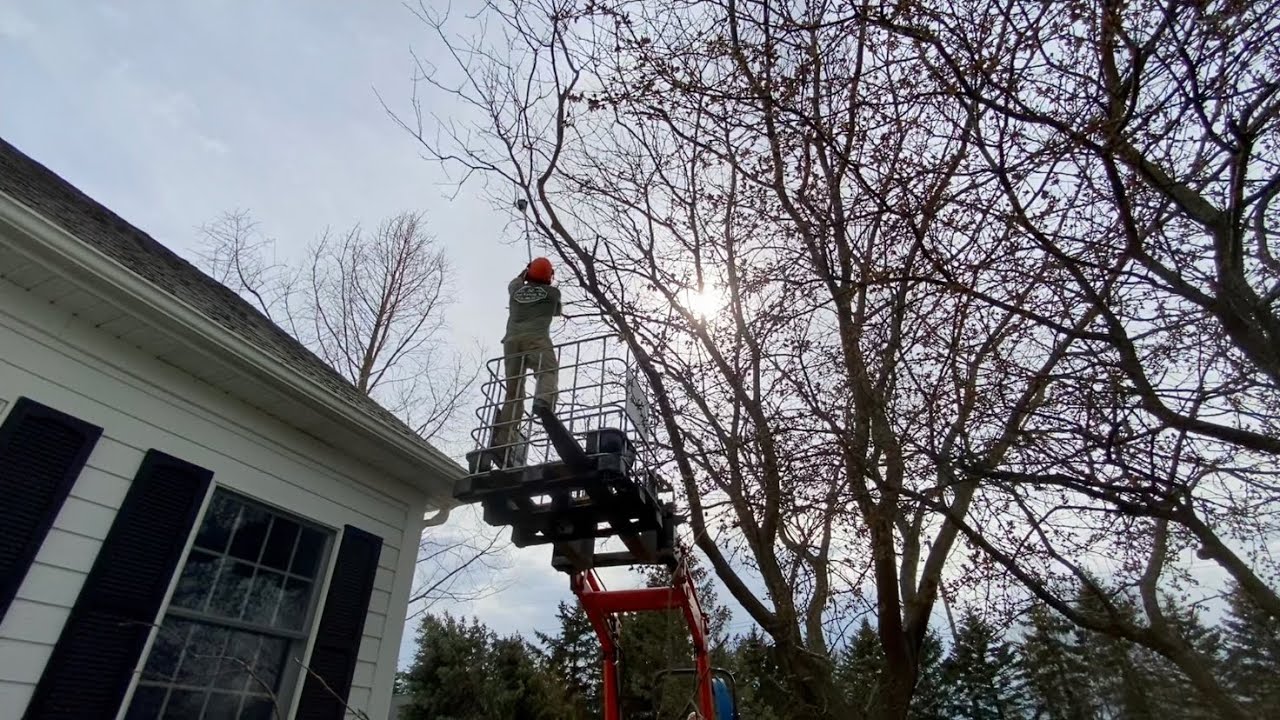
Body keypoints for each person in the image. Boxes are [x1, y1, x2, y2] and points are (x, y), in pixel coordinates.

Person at [487, 257, 562, 466]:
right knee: (547, 371)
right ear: (549, 277)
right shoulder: (553, 294)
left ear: (529, 273)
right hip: (537, 339)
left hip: (511, 343)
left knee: (513, 393)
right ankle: (543, 402)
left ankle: (504, 441)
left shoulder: (516, 290)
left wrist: (526, 273)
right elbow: (556, 311)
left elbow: (514, 282)